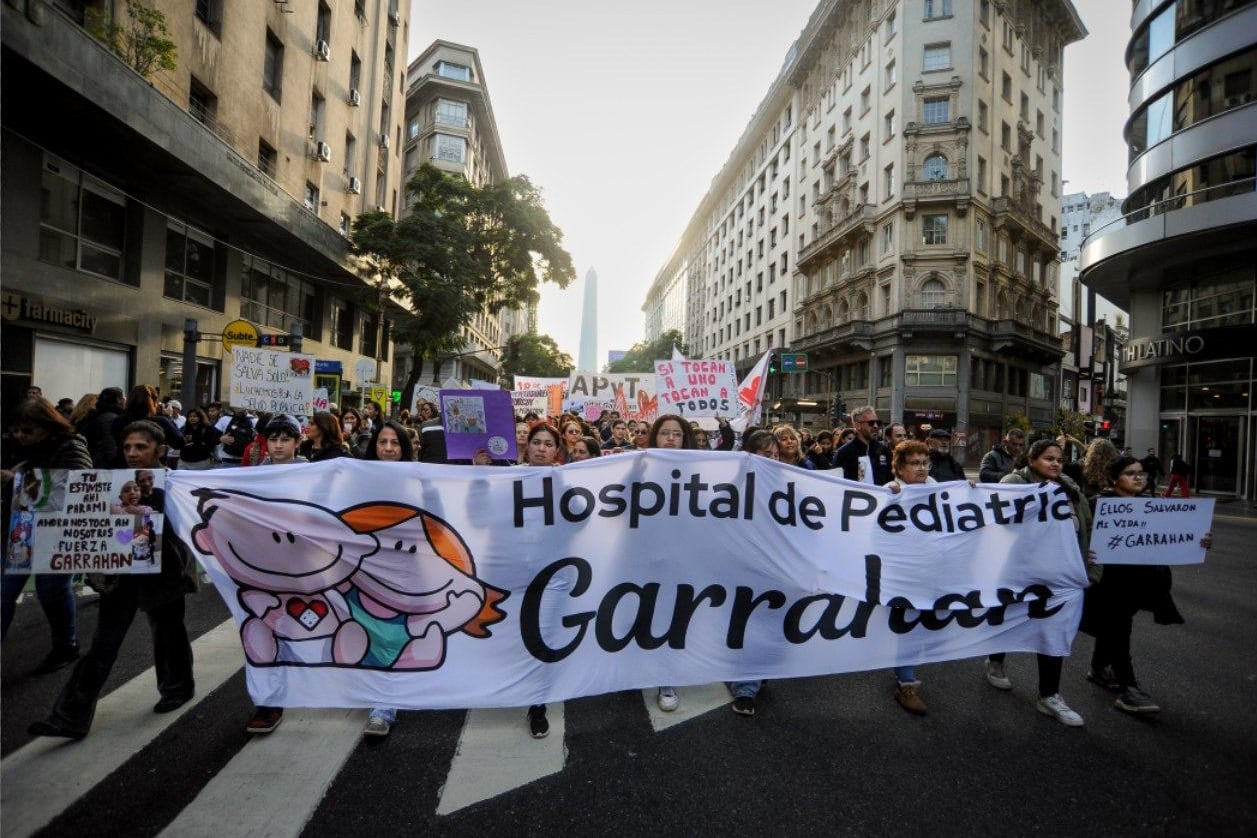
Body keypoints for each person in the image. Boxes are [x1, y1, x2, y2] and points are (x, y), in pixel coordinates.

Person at [29, 420, 197, 739]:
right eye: (128, 447)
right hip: (121, 575)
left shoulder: (175, 482)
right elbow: (90, 529)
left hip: (164, 572)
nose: (132, 453)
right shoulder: (111, 481)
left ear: (159, 450)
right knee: (103, 644)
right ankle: (71, 716)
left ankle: (177, 688)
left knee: (168, 634)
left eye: (141, 447)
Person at [1081, 456, 1211, 715]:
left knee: (1116, 626)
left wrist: (1200, 540)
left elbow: (1174, 538)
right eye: (1131, 473)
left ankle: (1098, 669)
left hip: (1139, 582)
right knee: (1118, 629)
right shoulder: (1098, 505)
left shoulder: (1151, 505)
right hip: (1107, 582)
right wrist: (1084, 554)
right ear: (1114, 478)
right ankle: (1129, 688)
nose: (1139, 477)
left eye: (1141, 473)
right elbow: (1078, 536)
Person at [986, 438, 1091, 727]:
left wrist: (1087, 563)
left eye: (1059, 459)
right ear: (1032, 461)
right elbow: (999, 521)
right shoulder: (1013, 482)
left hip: (1058, 576)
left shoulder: (1070, 488)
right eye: (1048, 458)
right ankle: (995, 661)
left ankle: (1049, 695)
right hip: (1017, 572)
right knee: (1004, 617)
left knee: (1052, 630)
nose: (1056, 463)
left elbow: (1085, 525)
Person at [1, 398, 93, 673]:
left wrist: (18, 481)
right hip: (20, 529)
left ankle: (66, 645)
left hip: (58, 531)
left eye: (28, 431)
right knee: (4, 592)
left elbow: (78, 487)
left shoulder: (71, 446)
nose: (20, 436)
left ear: (47, 425)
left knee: (51, 591)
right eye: (16, 430)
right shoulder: (12, 447)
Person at [242, 415, 309, 736]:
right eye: (273, 439)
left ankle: (316, 682)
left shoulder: (313, 474)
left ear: (298, 442)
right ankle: (270, 701)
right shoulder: (255, 476)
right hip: (264, 566)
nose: (279, 445)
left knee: (303, 630)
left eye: (285, 439)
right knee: (266, 629)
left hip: (303, 568)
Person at [358, 420, 417, 738]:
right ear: (374, 445)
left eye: (395, 442)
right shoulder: (358, 477)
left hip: (406, 568)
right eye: (383, 442)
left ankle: (387, 701)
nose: (389, 448)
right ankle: (381, 700)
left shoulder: (421, 479)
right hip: (367, 567)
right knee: (375, 633)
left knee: (393, 634)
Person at [882, 440, 937, 715]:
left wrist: (970, 493)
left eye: (925, 463)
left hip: (931, 572)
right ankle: (906, 682)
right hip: (900, 574)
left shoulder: (939, 489)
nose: (921, 468)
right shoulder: (890, 493)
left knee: (919, 625)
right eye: (914, 463)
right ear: (900, 469)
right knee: (904, 626)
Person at [728, 429, 780, 716]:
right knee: (746, 623)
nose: (772, 460)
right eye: (765, 455)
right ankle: (745, 687)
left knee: (766, 624)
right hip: (743, 565)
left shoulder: (788, 482)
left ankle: (756, 673)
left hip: (774, 567)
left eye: (775, 455)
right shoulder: (734, 483)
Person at [647, 413, 697, 711]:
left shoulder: (700, 471)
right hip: (645, 555)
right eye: (664, 432)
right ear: (654, 437)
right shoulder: (639, 467)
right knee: (643, 613)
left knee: (672, 616)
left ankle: (667, 677)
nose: (670, 438)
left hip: (683, 556)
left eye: (676, 434)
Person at [522, 423, 564, 738]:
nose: (541, 448)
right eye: (536, 442)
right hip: (513, 570)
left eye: (548, 443)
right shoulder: (508, 477)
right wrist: (479, 474)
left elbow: (582, 518)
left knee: (541, 637)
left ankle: (538, 703)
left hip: (550, 573)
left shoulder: (564, 479)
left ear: (556, 450)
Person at [832, 406, 892, 484]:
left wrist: (893, 484)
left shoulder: (884, 450)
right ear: (858, 425)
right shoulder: (843, 453)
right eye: (871, 423)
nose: (876, 426)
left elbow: (891, 478)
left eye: (878, 423)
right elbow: (835, 483)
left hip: (879, 495)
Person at [79, 386, 126, 469]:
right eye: (123, 397)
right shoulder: (111, 418)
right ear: (118, 399)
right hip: (105, 468)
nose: (125, 400)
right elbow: (110, 446)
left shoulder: (94, 416)